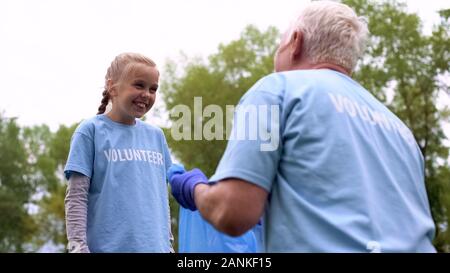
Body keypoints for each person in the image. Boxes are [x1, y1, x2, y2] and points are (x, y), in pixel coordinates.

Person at [168, 1, 436, 252]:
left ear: (295, 42)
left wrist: (196, 189)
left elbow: (233, 213)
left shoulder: (276, 90)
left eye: (278, 45)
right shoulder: (401, 131)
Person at [64, 52, 173, 253]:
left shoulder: (156, 136)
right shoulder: (90, 131)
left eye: (153, 89)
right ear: (112, 87)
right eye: (139, 85)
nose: (147, 94)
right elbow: (76, 198)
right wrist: (77, 248)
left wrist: (168, 245)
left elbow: (160, 199)